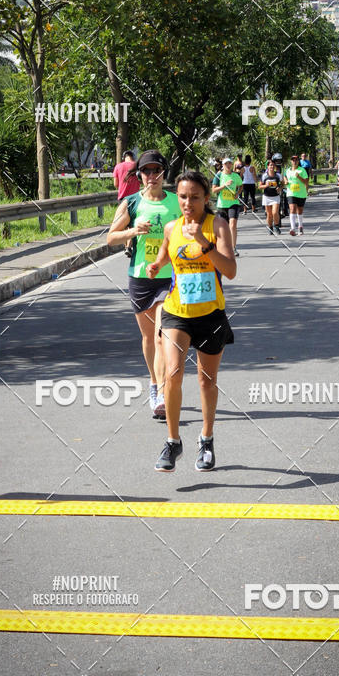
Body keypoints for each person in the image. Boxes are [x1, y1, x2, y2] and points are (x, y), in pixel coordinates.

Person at [147, 170, 236, 472]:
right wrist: (156, 265)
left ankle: (206, 439)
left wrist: (203, 242)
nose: (188, 203)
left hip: (210, 315)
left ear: (206, 197)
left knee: (206, 381)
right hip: (177, 313)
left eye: (195, 197)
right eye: (183, 197)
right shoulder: (171, 228)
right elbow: (165, 255)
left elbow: (230, 270)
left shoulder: (217, 225)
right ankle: (173, 442)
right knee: (172, 374)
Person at [107, 150, 181, 420]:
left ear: (164, 173)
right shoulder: (131, 203)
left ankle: (161, 393)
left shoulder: (176, 201)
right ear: (139, 175)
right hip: (140, 277)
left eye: (156, 170)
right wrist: (133, 231)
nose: (152, 176)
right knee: (149, 338)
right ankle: (153, 381)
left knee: (162, 336)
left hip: (169, 277)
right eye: (146, 171)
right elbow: (111, 238)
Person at [212, 157, 243, 256]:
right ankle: (222, 247)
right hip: (222, 205)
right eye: (226, 164)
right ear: (223, 165)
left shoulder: (235, 176)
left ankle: (233, 248)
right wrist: (224, 185)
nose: (228, 165)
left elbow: (241, 186)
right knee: (222, 227)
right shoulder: (219, 176)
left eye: (230, 163)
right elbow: (214, 190)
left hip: (233, 203)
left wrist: (238, 193)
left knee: (232, 224)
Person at [285, 154, 309, 235]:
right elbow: (285, 176)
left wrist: (299, 177)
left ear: (298, 161)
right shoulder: (288, 170)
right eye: (293, 160)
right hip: (291, 193)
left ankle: (300, 226)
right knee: (292, 209)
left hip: (301, 193)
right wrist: (285, 181)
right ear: (291, 161)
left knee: (300, 210)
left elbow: (306, 182)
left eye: (296, 160)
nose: (294, 161)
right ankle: (293, 228)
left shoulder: (302, 170)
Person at [259, 160, 284, 235]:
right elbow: (259, 186)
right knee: (269, 214)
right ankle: (270, 228)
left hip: (275, 196)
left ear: (275, 166)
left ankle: (276, 226)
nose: (272, 166)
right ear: (268, 166)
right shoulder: (264, 176)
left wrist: (280, 188)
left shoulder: (278, 175)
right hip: (267, 197)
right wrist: (266, 185)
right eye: (270, 165)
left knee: (275, 212)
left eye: (273, 165)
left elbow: (283, 184)